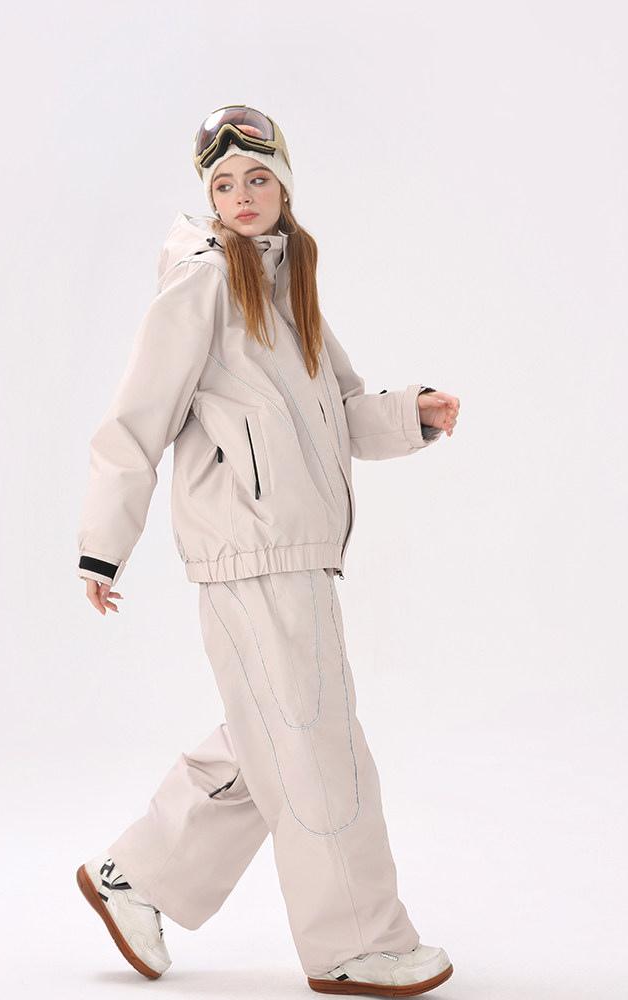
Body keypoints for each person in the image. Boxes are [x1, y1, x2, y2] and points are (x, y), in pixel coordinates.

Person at [74, 104, 460, 996]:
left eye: (257, 178)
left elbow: (343, 409)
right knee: (316, 744)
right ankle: (356, 942)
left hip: (295, 550)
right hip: (251, 551)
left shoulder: (291, 287)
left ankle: (135, 877)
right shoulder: (204, 283)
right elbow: (137, 418)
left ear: (284, 186)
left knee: (273, 736)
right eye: (223, 184)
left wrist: (410, 414)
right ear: (208, 199)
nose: (241, 195)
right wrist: (103, 547)